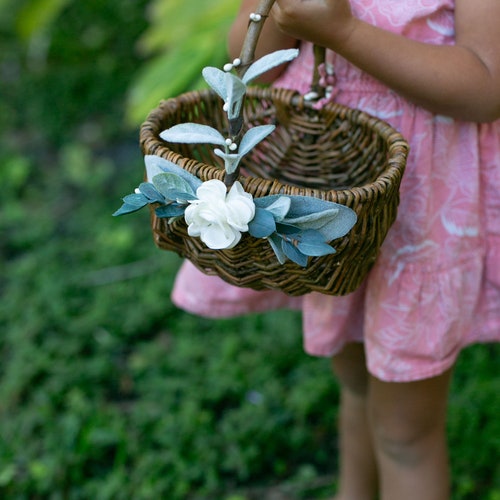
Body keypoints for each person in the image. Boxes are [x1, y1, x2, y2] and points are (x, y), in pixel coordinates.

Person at [171, 1, 500, 499]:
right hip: (326, 181)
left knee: (405, 430)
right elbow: (253, 56)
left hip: (422, 206)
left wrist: (342, 31)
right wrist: (285, 15)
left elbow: (484, 88)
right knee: (357, 384)